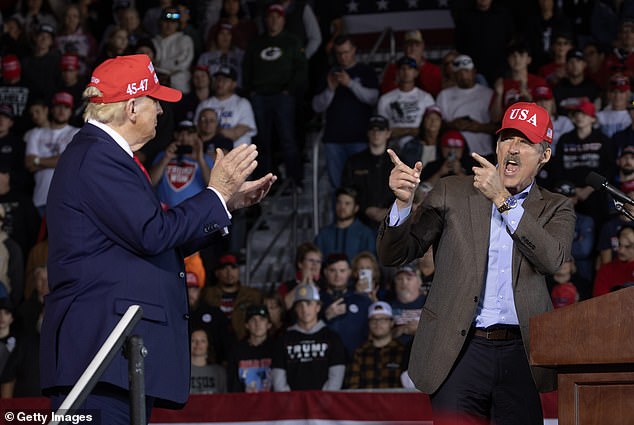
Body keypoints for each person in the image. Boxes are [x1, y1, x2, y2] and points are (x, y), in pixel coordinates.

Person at [40, 54, 276, 421]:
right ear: (132, 107)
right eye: (155, 101)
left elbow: (157, 238)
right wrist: (214, 193)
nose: (161, 112)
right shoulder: (97, 157)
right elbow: (154, 233)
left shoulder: (105, 156)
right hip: (99, 360)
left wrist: (224, 203)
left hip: (114, 363)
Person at [379, 101, 575, 423]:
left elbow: (551, 260)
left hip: (521, 353)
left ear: (545, 154)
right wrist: (402, 205)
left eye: (524, 142)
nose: (512, 149)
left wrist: (503, 200)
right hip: (458, 350)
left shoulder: (556, 207)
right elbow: (396, 254)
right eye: (506, 139)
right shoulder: (452, 191)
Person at [242, 3, 307, 188]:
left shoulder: (292, 41)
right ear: (265, 20)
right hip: (259, 97)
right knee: (262, 142)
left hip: (283, 96)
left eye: (277, 17)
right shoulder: (257, 43)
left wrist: (290, 89)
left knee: (287, 139)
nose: (274, 20)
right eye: (270, 17)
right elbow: (246, 69)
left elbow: (302, 69)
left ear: (283, 20)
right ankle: (266, 183)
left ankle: (295, 180)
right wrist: (251, 90)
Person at [312, 35, 379, 190]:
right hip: (333, 140)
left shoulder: (365, 71)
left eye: (346, 52)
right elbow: (316, 106)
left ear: (354, 50)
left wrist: (350, 84)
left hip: (360, 138)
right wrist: (330, 89)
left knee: (362, 187)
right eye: (339, 53)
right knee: (337, 187)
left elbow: (373, 98)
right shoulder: (329, 74)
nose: (343, 56)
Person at [271, 283, 346, 391]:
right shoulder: (283, 340)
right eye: (300, 305)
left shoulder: (332, 338)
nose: (304, 309)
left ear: (318, 307)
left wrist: (322, 402)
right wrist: (291, 404)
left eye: (309, 304)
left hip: (324, 404)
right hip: (293, 405)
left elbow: (336, 379)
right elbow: (279, 382)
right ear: (295, 309)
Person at [24, 92, 80, 217]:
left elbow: (70, 162)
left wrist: (38, 161)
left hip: (68, 201)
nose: (62, 110)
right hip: (40, 199)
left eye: (66, 107)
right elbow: (29, 164)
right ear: (51, 109)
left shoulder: (77, 133)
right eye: (58, 106)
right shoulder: (35, 133)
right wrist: (59, 161)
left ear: (71, 111)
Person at [435, 54, 496, 157]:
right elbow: (435, 126)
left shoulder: (489, 94)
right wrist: (453, 125)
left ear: (474, 72)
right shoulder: (444, 95)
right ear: (454, 75)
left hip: (483, 152)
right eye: (459, 73)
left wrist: (477, 127)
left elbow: (498, 126)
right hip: (453, 153)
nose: (463, 76)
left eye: (467, 71)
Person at [341, 115, 395, 229]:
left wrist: (391, 210)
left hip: (393, 222)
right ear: (367, 133)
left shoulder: (399, 163)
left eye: (380, 129)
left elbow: (408, 191)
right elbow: (347, 190)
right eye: (372, 129)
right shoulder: (354, 162)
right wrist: (365, 208)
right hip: (360, 222)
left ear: (388, 133)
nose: (376, 134)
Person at [319, 253, 373, 358]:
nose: (337, 275)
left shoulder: (362, 300)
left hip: (356, 361)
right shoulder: (316, 300)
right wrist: (325, 316)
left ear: (349, 272)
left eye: (342, 271)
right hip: (324, 360)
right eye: (332, 270)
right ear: (325, 272)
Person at [149, 120, 213, 207]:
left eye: (189, 134)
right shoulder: (164, 155)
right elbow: (150, 182)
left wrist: (200, 159)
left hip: (194, 212)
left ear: (196, 136)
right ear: (175, 135)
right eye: (181, 133)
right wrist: (166, 159)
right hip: (165, 211)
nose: (185, 138)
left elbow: (212, 186)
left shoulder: (205, 159)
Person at [346, 301, 407, 389]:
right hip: (365, 402)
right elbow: (352, 388)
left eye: (383, 319)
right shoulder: (359, 352)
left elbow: (408, 388)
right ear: (368, 323)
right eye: (374, 319)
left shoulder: (402, 351)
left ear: (391, 323)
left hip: (395, 402)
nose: (378, 323)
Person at [204, 253, 263, 341]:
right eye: (224, 268)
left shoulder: (253, 295)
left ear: (239, 270)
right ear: (217, 273)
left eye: (233, 268)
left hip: (244, 344)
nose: (229, 272)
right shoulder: (207, 294)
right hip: (213, 346)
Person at [377, 56, 435, 144]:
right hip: (394, 146)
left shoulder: (426, 97)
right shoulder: (385, 99)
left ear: (416, 73)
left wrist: (399, 131)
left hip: (419, 144)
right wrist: (412, 130)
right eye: (402, 69)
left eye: (410, 68)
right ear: (397, 72)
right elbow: (382, 129)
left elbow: (432, 128)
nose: (406, 72)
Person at [194, 66, 257, 148]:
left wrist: (210, 130)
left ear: (234, 84)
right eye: (218, 79)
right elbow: (196, 131)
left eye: (225, 80)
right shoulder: (204, 104)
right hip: (209, 155)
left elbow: (235, 134)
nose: (220, 83)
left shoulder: (243, 103)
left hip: (238, 155)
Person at [314, 187, 377, 261]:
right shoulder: (323, 235)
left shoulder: (366, 234)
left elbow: (370, 264)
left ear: (356, 208)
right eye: (339, 202)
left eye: (347, 203)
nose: (342, 207)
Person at [227, 304, 275, 392]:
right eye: (253, 320)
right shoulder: (237, 350)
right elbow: (233, 384)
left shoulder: (277, 348)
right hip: (245, 403)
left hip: (271, 402)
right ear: (247, 325)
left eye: (262, 319)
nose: (257, 324)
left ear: (269, 325)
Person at [380, 30, 442, 97]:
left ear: (423, 46)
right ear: (404, 47)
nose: (413, 48)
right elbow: (385, 94)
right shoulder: (393, 68)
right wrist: (400, 75)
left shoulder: (433, 69)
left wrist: (417, 67)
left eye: (417, 45)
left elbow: (435, 93)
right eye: (409, 44)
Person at [152, 7, 195, 94]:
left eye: (173, 22)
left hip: (179, 87)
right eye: (166, 21)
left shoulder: (185, 39)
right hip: (156, 87)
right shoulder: (153, 41)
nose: (169, 25)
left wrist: (160, 65)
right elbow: (150, 65)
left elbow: (183, 64)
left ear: (178, 24)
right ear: (160, 22)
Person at [389, 264, 426, 347]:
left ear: (419, 282)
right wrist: (403, 329)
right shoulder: (388, 306)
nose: (404, 283)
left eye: (409, 279)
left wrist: (421, 330)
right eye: (399, 279)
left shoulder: (429, 303)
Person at [594, 225, 634, 296]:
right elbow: (599, 300)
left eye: (628, 246)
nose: (621, 250)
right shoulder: (606, 270)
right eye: (619, 244)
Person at [189, 328, 228, 394]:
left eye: (203, 341)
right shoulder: (180, 372)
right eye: (193, 340)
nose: (198, 344)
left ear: (208, 344)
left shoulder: (220, 372)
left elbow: (224, 399)